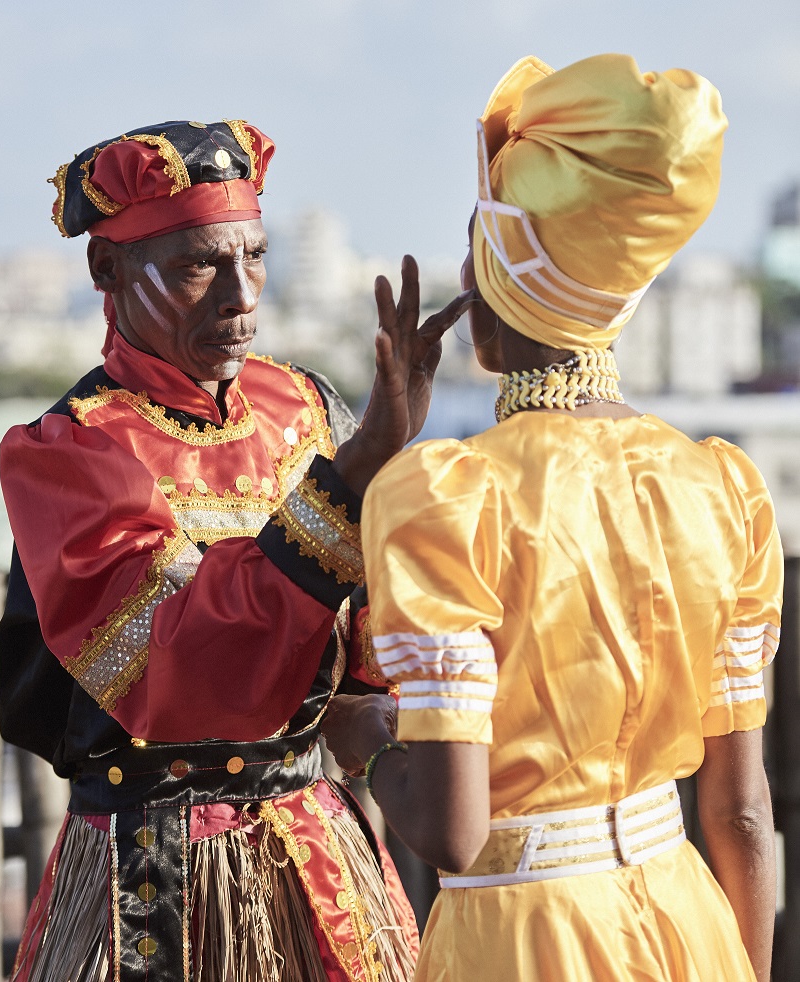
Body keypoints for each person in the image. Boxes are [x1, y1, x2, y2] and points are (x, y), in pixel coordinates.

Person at [321, 54, 782, 981]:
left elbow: (454, 830)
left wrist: (363, 740)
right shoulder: (721, 486)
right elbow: (740, 817)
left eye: (472, 249)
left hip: (523, 941)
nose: (460, 270)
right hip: (689, 919)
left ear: (495, 288)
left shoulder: (446, 493)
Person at [0, 119, 470, 981]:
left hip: (320, 852)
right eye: (196, 265)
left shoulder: (308, 407)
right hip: (152, 876)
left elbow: (365, 650)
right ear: (108, 270)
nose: (240, 295)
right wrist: (358, 470)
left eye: (253, 256)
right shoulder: (69, 452)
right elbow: (175, 670)